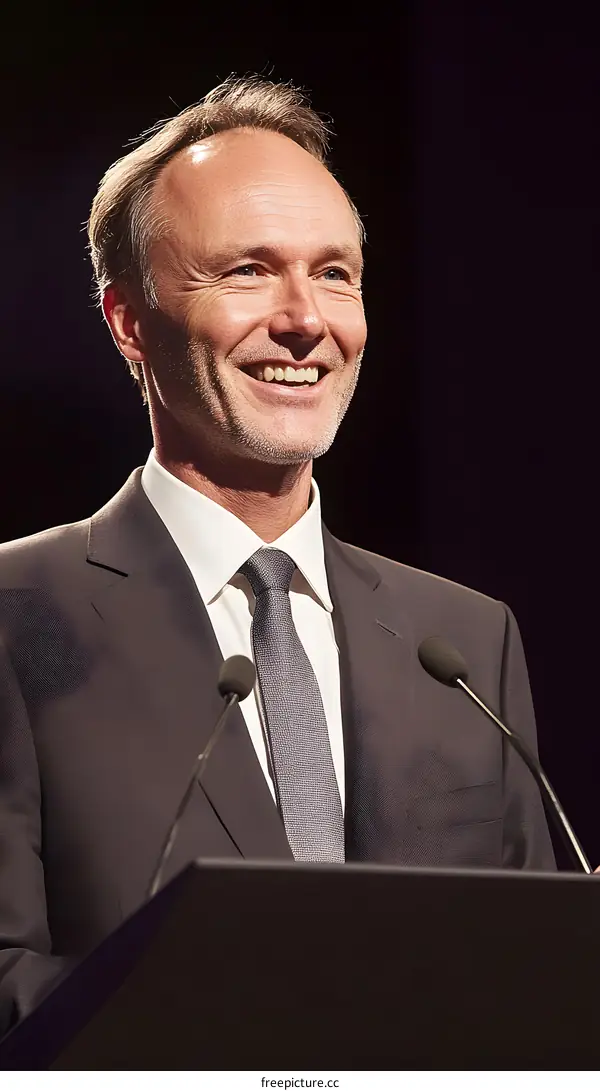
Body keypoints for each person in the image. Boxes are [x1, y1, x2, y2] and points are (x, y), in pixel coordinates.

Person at [0, 76, 555, 1037]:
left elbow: (537, 984)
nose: (307, 320)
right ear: (127, 320)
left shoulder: (464, 641)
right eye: (248, 270)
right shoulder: (18, 615)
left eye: (335, 274)